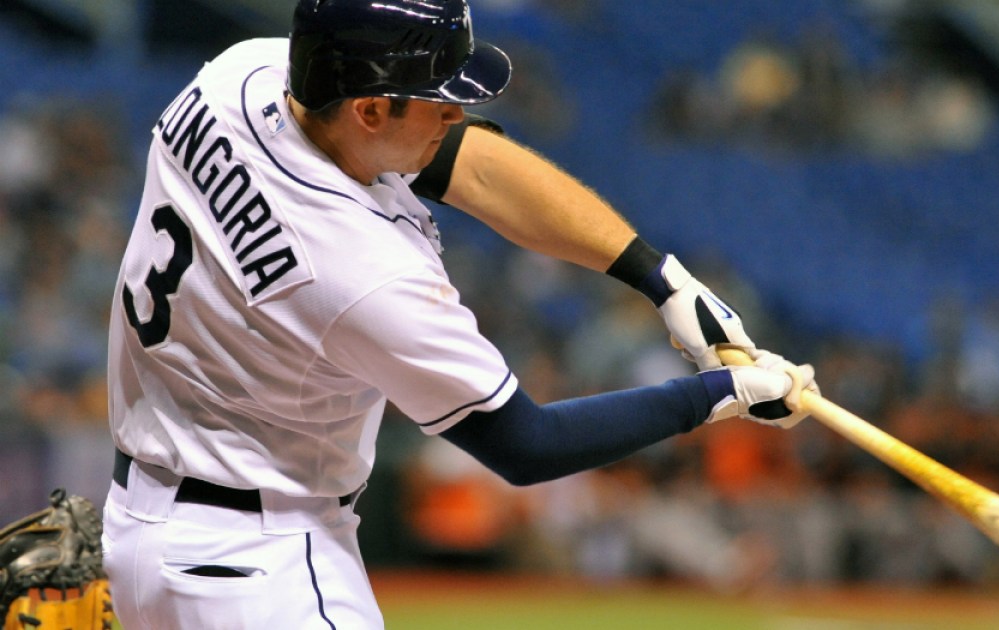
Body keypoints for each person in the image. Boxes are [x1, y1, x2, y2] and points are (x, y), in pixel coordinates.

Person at [101, 0, 819, 627]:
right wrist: (717, 395)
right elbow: (526, 445)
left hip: (141, 525)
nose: (458, 113)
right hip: (259, 563)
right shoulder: (361, 271)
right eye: (437, 99)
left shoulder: (240, 77)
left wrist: (663, 279)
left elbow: (473, 166)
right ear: (370, 108)